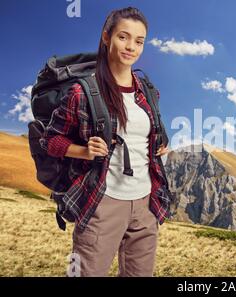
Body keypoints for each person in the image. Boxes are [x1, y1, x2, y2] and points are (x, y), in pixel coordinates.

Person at [43, 6, 170, 277]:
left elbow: (149, 132)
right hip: (102, 201)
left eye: (139, 41)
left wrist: (160, 145)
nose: (131, 47)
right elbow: (50, 140)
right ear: (106, 37)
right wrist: (82, 151)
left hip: (146, 203)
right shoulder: (83, 92)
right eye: (123, 37)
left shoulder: (148, 90)